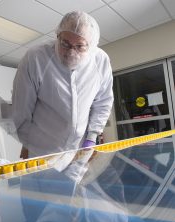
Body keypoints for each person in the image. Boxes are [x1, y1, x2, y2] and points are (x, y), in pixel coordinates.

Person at [12, 11, 113, 158]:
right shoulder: (35, 58)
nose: (71, 52)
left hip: (79, 148)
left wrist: (92, 137)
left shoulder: (100, 60)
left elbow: (103, 102)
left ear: (91, 46)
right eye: (65, 43)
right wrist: (26, 143)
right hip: (41, 150)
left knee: (75, 181)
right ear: (57, 35)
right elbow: (21, 108)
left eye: (80, 46)